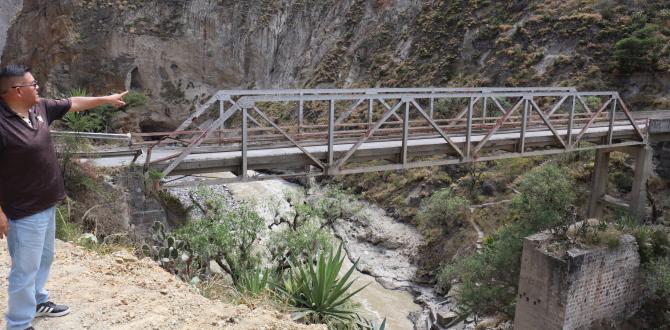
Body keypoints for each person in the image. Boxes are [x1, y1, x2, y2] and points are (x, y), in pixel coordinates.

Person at [0, 64, 127, 330]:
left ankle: (37, 301)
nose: (38, 88)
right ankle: (19, 324)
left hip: (47, 203)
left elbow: (74, 103)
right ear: (15, 91)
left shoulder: (39, 108)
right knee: (24, 270)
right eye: (33, 84)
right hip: (23, 211)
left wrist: (105, 99)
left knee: (44, 258)